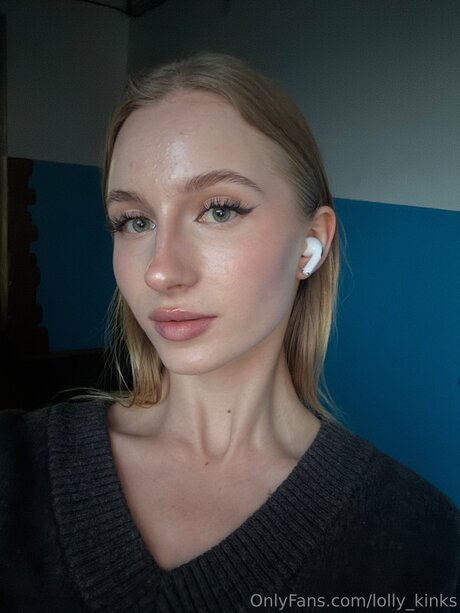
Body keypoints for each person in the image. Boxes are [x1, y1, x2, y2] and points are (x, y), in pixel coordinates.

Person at [0, 52, 458, 612]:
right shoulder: (14, 467)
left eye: (218, 210)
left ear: (310, 245)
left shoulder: (425, 544)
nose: (160, 271)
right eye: (134, 221)